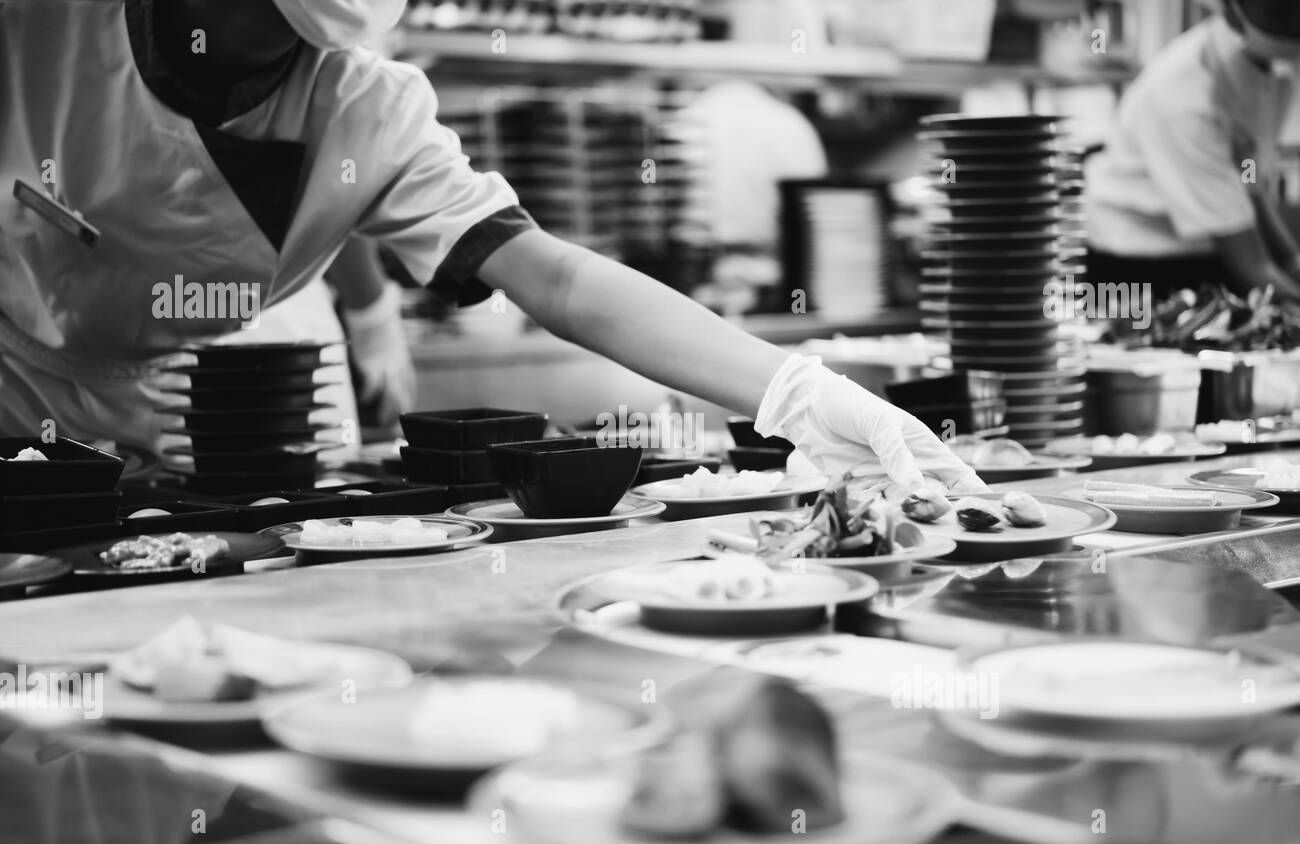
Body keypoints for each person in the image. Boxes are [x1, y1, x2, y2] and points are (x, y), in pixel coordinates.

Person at [0, 0, 980, 495]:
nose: (250, 49)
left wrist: (790, 390)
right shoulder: (49, 23)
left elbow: (550, 273)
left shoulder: (365, 107)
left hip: (161, 433)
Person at [1086, 0, 1300, 307]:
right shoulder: (1185, 99)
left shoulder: (1273, 69)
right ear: (1231, 12)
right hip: (1137, 266)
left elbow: (1250, 188)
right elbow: (1252, 266)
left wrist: (1293, 261)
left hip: (1215, 248)